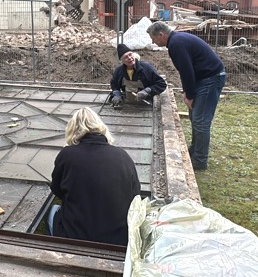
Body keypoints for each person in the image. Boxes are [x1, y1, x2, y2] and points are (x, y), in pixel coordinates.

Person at [48, 107, 140, 246]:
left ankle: (57, 249)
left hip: (75, 239)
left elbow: (56, 190)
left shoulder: (67, 155)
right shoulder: (122, 155)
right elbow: (135, 196)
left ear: (72, 130)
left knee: (54, 210)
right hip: (120, 241)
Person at [146, 21, 226, 171]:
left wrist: (189, 95)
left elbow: (186, 71)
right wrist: (188, 92)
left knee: (200, 121)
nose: (153, 42)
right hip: (203, 78)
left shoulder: (176, 44)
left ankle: (200, 160)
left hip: (210, 78)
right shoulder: (177, 40)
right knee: (195, 117)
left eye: (153, 38)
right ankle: (195, 151)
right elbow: (187, 70)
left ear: (161, 35)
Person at [110, 43, 167, 108]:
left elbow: (161, 84)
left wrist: (147, 91)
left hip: (146, 103)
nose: (129, 58)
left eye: (130, 54)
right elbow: (114, 84)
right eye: (126, 57)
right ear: (122, 61)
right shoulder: (119, 71)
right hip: (128, 105)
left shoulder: (147, 68)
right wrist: (117, 94)